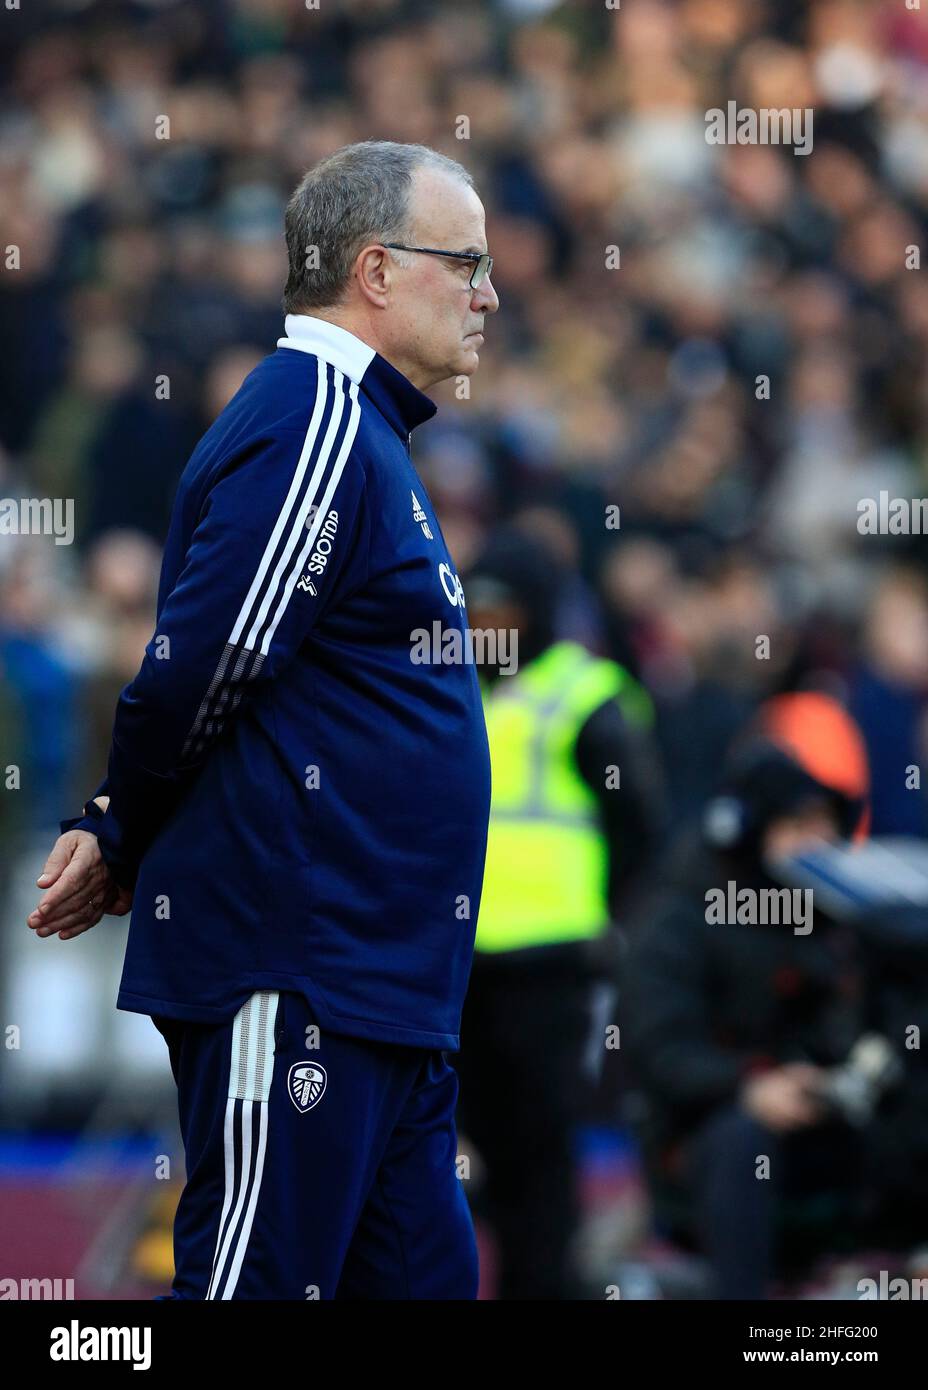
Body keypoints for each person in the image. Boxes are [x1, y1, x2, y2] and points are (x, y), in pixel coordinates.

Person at [25, 140, 499, 1300]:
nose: (489, 292)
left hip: (384, 988)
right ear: (378, 272)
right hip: (299, 970)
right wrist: (118, 824)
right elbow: (207, 659)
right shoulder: (317, 420)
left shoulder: (364, 433)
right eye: (468, 263)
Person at [454, 527, 665, 1298]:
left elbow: (639, 830)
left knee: (537, 1156)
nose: (484, 626)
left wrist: (613, 931)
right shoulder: (449, 687)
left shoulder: (587, 698)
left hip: (549, 964)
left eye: (500, 610)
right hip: (453, 962)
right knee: (443, 1149)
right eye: (474, 610)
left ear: (537, 611)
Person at [623, 693, 872, 1299]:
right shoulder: (680, 913)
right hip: (707, 1127)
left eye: (823, 825)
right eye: (798, 826)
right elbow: (664, 1053)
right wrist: (749, 1086)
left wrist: (841, 1075)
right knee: (742, 1139)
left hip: (821, 1112)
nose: (816, 843)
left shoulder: (837, 916)